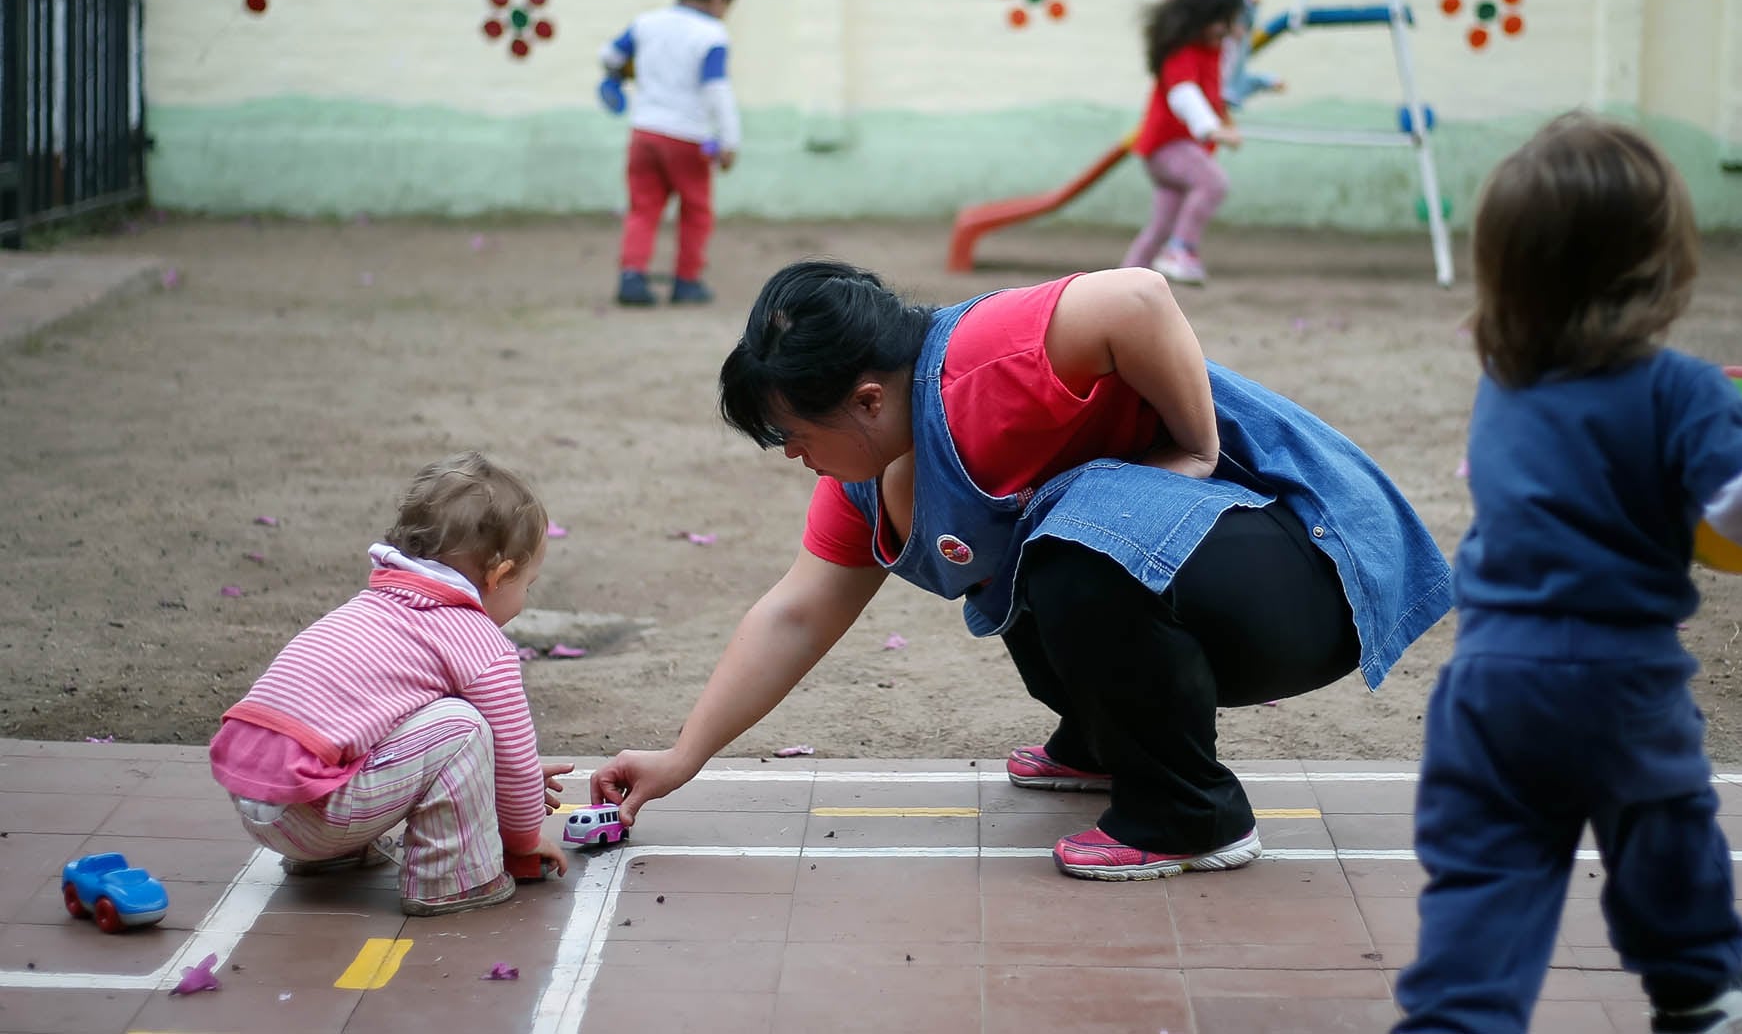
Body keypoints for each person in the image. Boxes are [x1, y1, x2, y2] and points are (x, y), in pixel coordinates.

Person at [591, 260, 1453, 881]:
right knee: (1031, 551)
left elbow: (1140, 294)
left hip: (1308, 572)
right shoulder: (866, 477)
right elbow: (796, 612)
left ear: (866, 399)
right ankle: (1107, 745)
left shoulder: (978, 360)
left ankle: (1192, 813)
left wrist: (1195, 443)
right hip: (1210, 584)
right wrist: (682, 757)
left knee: (1068, 541)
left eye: (796, 434)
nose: (794, 456)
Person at [1391, 114, 1742, 1033]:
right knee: (1664, 829)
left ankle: (1456, 1017)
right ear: (1661, 269)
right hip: (1620, 681)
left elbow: (1495, 484)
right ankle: (1696, 981)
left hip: (1491, 682)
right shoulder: (1684, 390)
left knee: (1487, 866)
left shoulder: (1504, 387)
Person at [209, 452, 573, 916]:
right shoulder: (476, 637)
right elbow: (516, 761)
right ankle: (453, 878)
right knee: (462, 726)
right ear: (499, 576)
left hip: (258, 798)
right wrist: (523, 841)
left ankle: (334, 856)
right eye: (528, 584)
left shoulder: (378, 606)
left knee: (397, 713)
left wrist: (489, 781)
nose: (525, 597)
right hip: (317, 814)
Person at [598, 0, 743, 308]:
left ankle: (632, 276)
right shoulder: (712, 35)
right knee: (695, 210)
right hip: (687, 137)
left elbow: (609, 55)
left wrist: (616, 81)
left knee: (643, 208)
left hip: (644, 132)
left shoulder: (647, 23)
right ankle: (686, 280)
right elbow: (716, 90)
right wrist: (729, 141)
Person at [1121, 0, 1248, 287]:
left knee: (1159, 228)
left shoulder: (1209, 46)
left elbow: (1220, 78)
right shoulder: (1183, 51)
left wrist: (1237, 31)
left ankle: (1119, 282)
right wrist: (1210, 128)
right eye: (1222, 19)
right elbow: (1183, 94)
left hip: (1174, 149)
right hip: (1167, 148)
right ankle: (1181, 251)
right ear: (1202, 16)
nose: (1226, 28)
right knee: (1213, 183)